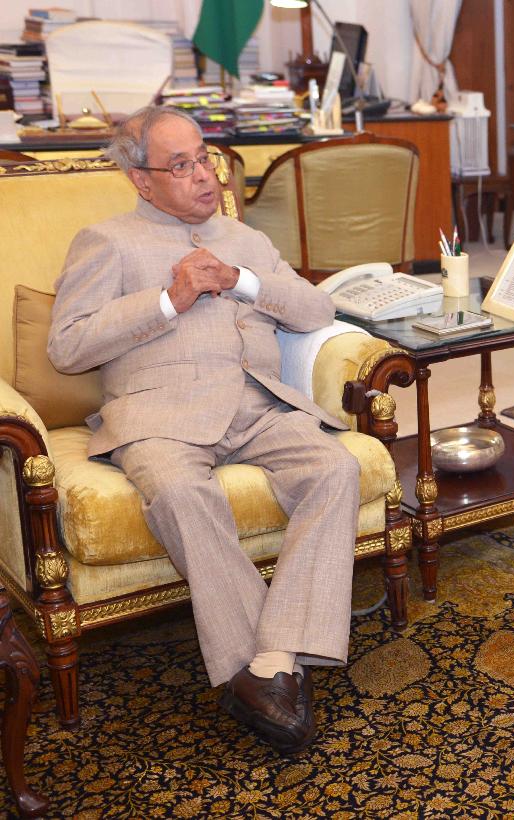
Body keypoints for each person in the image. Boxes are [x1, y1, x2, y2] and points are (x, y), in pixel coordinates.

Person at [47, 106, 360, 756]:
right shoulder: (107, 241)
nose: (203, 176)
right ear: (141, 179)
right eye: (181, 165)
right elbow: (68, 347)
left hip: (259, 406)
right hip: (160, 416)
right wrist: (169, 301)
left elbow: (317, 309)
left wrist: (242, 281)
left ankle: (269, 661)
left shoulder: (248, 239)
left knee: (336, 468)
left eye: (205, 158)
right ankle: (269, 668)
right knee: (182, 495)